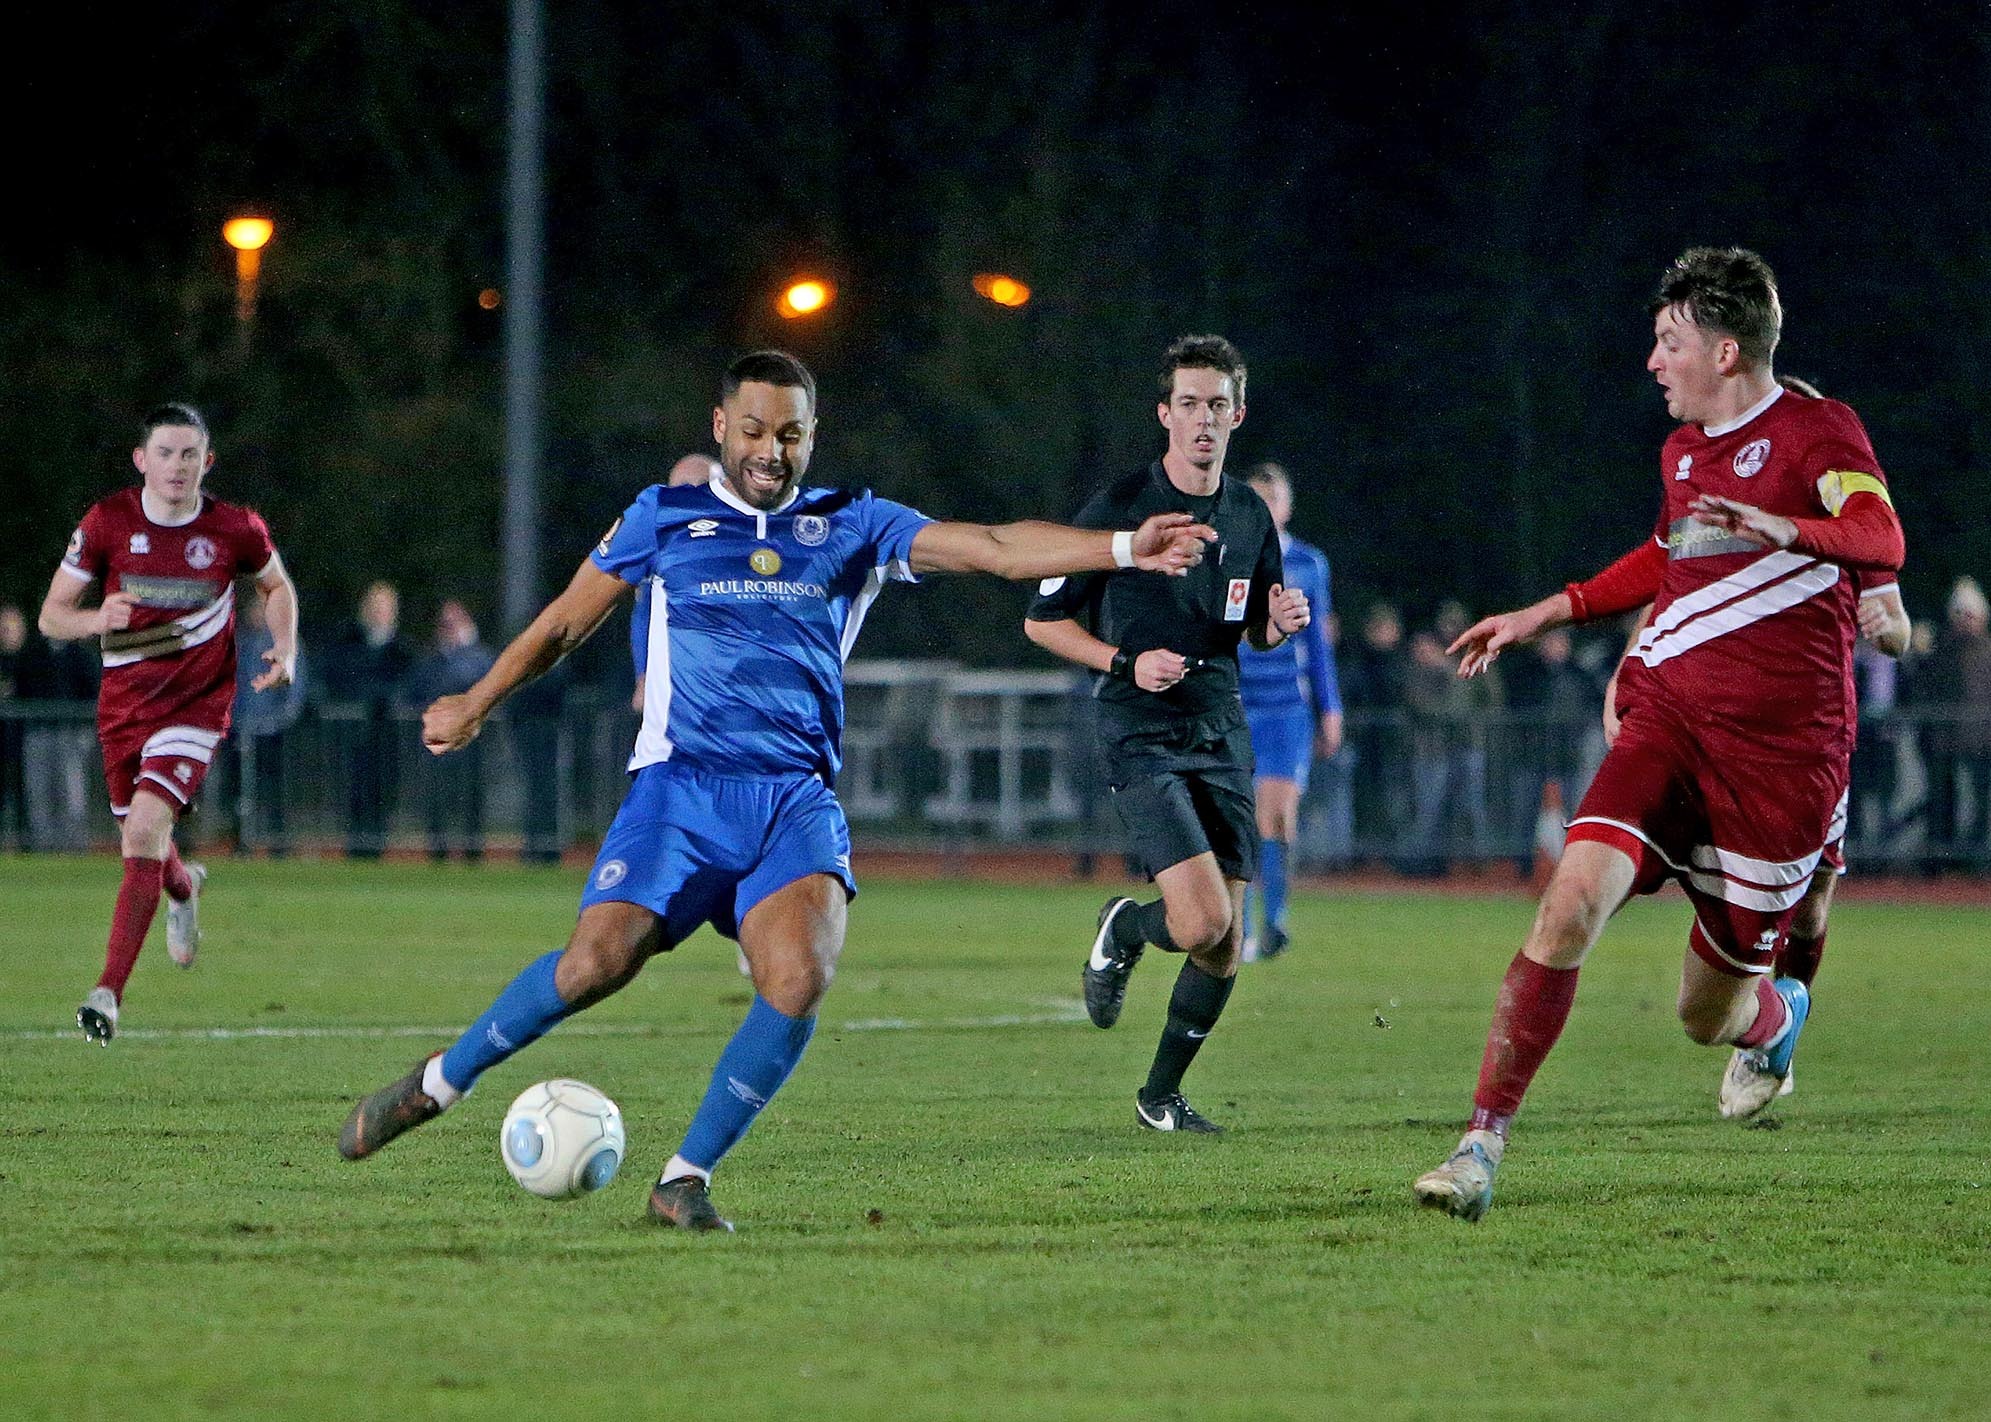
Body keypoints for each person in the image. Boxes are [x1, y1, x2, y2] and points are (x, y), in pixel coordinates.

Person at [336, 349, 1214, 1231]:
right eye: (753, 431)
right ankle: (437, 1083)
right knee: (594, 965)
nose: (770, 451)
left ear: (811, 437)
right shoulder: (664, 516)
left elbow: (990, 548)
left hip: (792, 801)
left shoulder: (851, 522)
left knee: (797, 978)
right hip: (679, 794)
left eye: (789, 434)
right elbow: (567, 620)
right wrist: (477, 701)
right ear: (720, 427)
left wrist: (1120, 549)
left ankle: (683, 1179)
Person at [1411, 248, 1905, 1220]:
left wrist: (1781, 529)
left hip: (1778, 765)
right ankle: (1478, 1146)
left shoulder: (1816, 432)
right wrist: (1544, 614)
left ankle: (1775, 1016)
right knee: (1565, 904)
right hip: (1669, 726)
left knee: (1703, 1016)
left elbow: (1880, 542)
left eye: (1667, 341)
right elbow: (1665, 558)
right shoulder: (1680, 455)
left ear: (1724, 352)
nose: (1650, 359)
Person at [1596, 376, 1913, 1117]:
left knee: (1810, 907)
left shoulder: (1848, 519)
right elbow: (1679, 591)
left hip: (1813, 740)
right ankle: (1757, 1026)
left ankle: (1776, 1028)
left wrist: (1883, 630)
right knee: (1742, 890)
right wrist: (1632, 669)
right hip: (1726, 730)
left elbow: (1895, 623)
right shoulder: (1728, 510)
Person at [1024, 335, 1311, 1134]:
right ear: (1164, 414)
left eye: (1217, 404)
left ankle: (1159, 1099)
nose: (1203, 420)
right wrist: (1122, 661)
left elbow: (1253, 629)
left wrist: (1277, 627)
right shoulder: (1118, 508)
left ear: (1238, 414)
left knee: (1225, 942)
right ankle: (1128, 923)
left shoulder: (1251, 514)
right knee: (1195, 922)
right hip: (1140, 728)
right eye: (1188, 403)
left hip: (1221, 726)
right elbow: (1040, 621)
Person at [37, 403, 298, 1042]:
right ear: (141, 460)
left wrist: (284, 649)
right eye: (165, 453)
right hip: (124, 711)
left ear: (206, 462)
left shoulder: (235, 528)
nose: (177, 467)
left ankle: (107, 994)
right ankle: (183, 890)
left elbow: (278, 587)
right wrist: (98, 620)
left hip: (198, 706)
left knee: (144, 831)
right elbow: (51, 616)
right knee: (147, 845)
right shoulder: (108, 522)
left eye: (189, 455)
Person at [1235, 461, 1342, 959]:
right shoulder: (1230, 558)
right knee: (1252, 816)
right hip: (1240, 701)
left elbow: (1319, 645)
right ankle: (1253, 927)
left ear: (1287, 506)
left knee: (1280, 816)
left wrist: (1331, 707)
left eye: (1272, 498)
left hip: (1287, 707)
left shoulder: (1309, 564)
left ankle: (1274, 920)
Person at [326, 582, 413, 858]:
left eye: (384, 608)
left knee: (382, 793)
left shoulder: (403, 651)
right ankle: (356, 845)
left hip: (387, 739)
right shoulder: (348, 645)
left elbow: (407, 689)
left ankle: (377, 845)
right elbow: (335, 680)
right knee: (354, 792)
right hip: (353, 739)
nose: (378, 614)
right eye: (374, 607)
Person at [412, 599, 497, 861]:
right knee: (437, 796)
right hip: (438, 740)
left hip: (473, 741)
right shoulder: (431, 660)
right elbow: (415, 692)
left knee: (473, 796)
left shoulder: (480, 657)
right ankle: (438, 849)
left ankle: (473, 849)